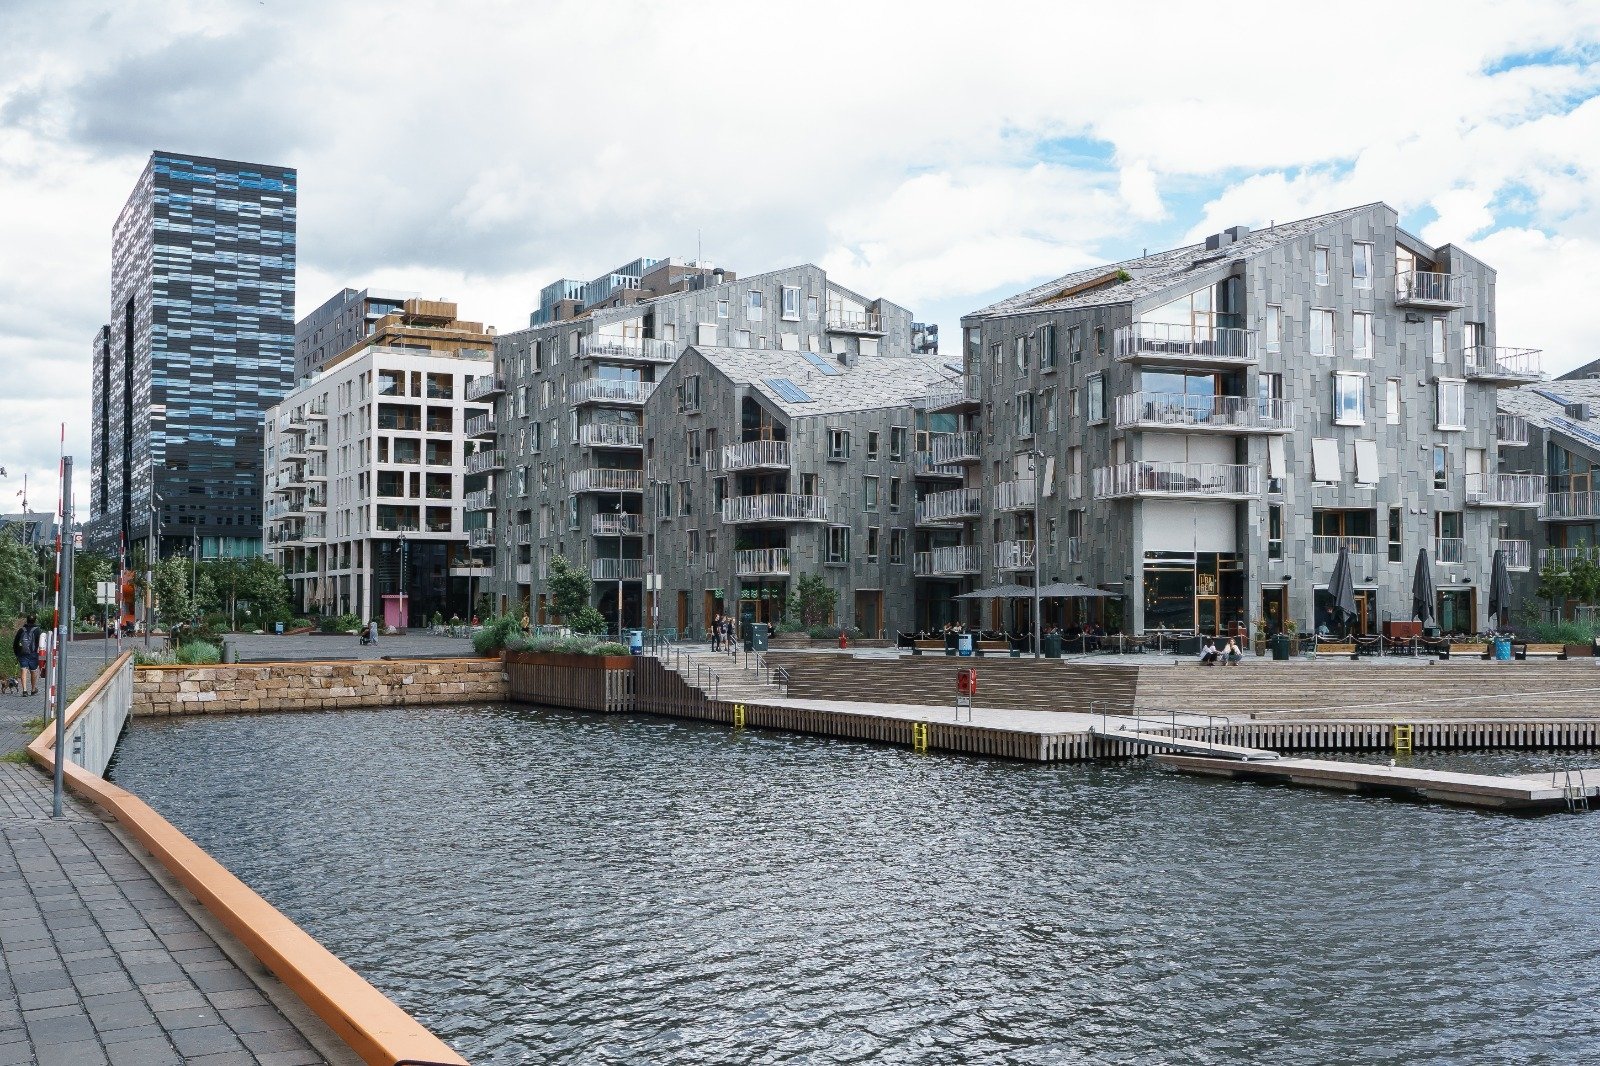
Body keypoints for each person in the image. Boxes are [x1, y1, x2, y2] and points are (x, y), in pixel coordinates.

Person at [12, 616, 41, 696]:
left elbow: (15, 643)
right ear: (35, 621)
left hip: (22, 653)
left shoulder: (21, 630)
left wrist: (17, 654)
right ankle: (33, 689)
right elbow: (41, 643)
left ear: (26, 621)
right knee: (33, 671)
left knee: (23, 670)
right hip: (33, 654)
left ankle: (24, 690)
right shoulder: (37, 631)